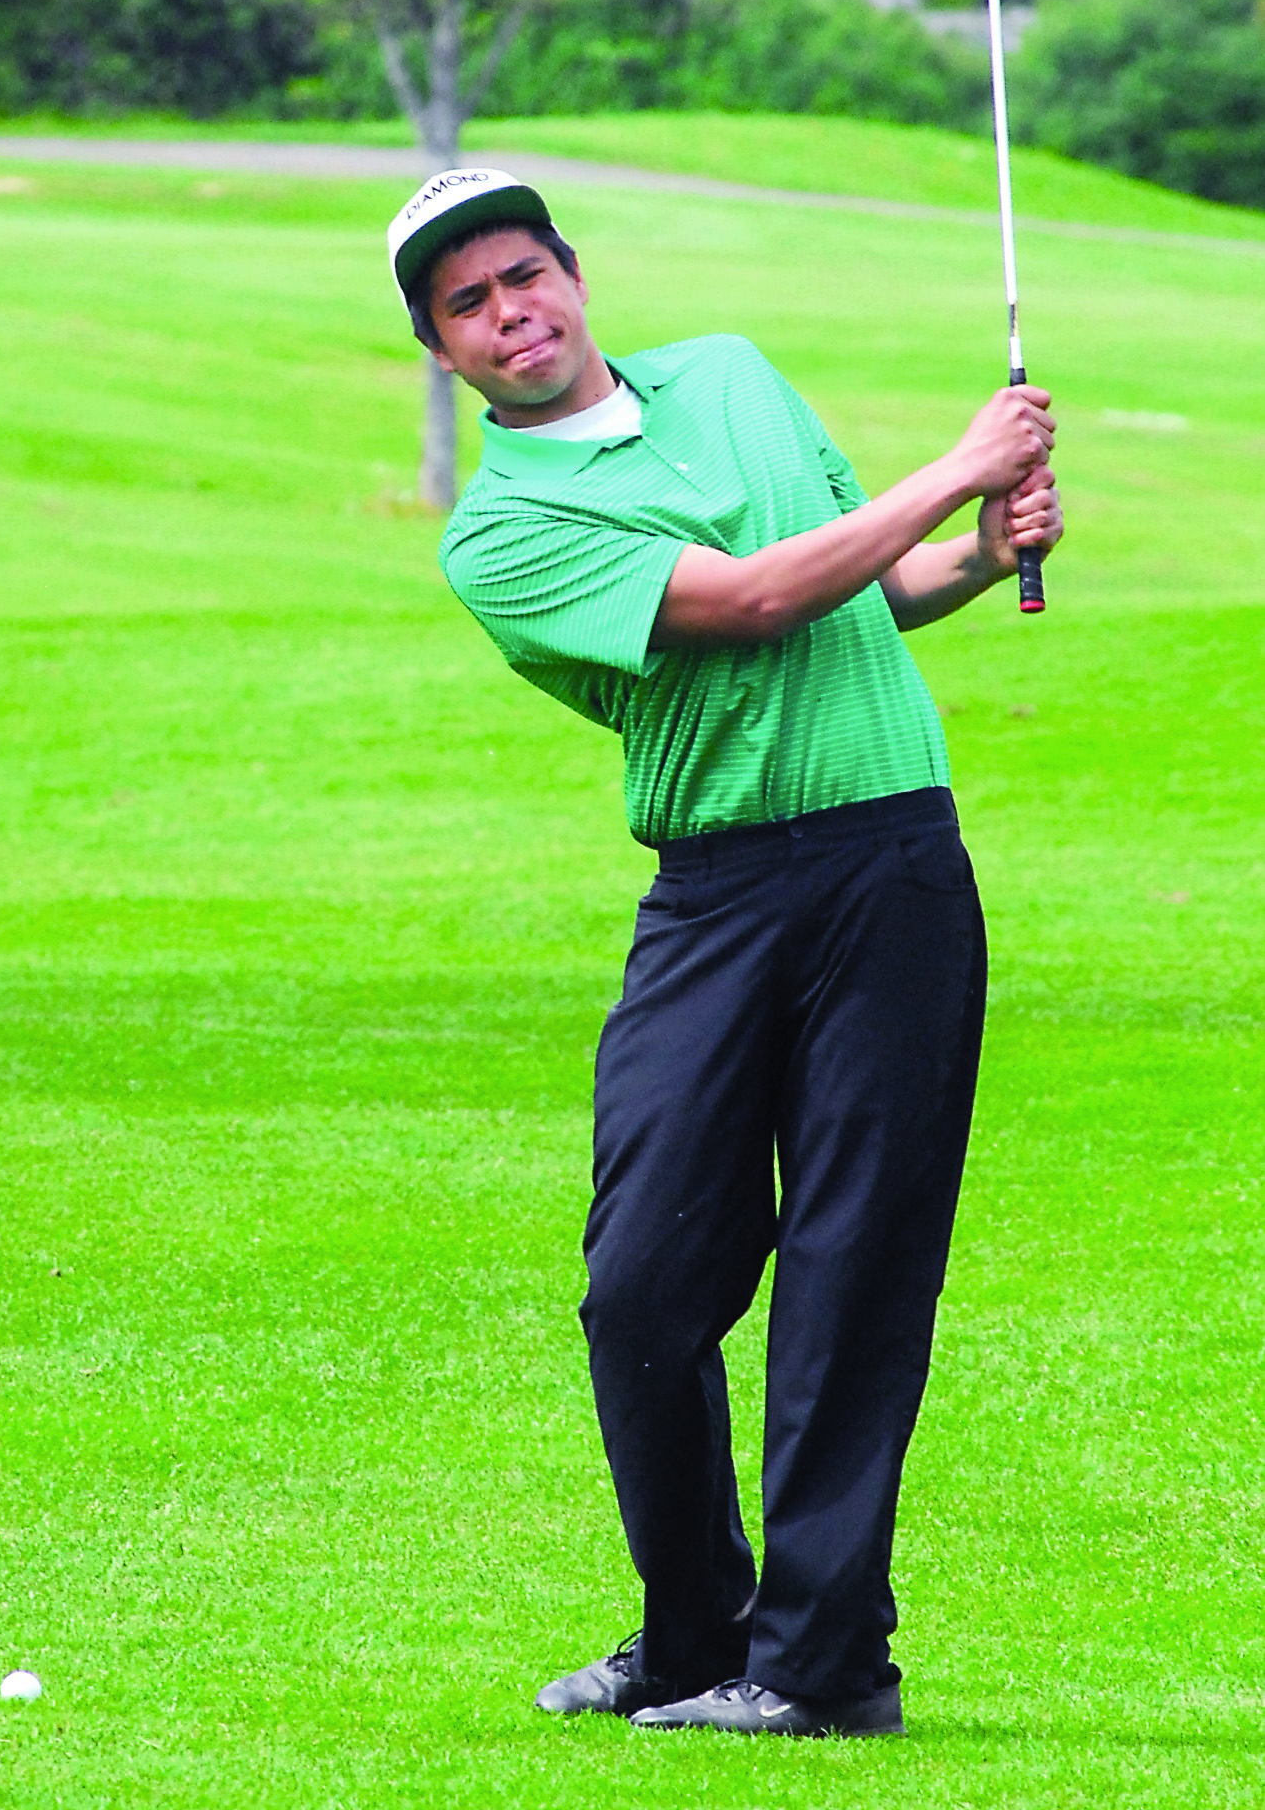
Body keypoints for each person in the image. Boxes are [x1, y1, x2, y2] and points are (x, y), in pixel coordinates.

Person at [386, 167, 1062, 1739]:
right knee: (640, 1287)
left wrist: (976, 542)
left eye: (524, 275)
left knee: (850, 1272)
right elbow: (759, 598)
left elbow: (864, 593)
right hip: (717, 895)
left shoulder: (735, 378)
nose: (511, 314)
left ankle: (825, 1670)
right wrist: (961, 460)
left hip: (892, 866)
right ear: (443, 352)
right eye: (469, 306)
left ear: (570, 272)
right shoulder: (501, 532)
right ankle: (693, 1636)